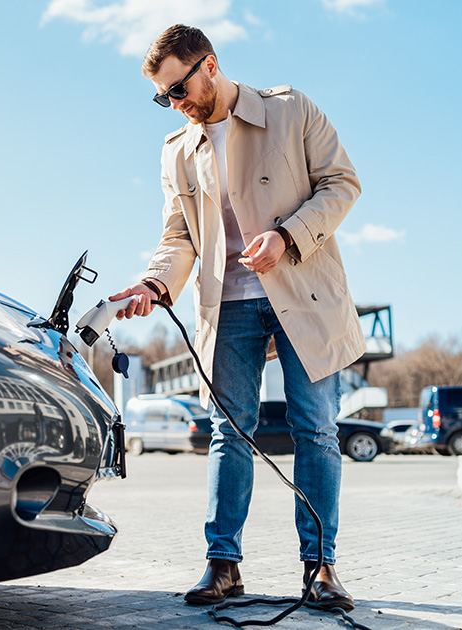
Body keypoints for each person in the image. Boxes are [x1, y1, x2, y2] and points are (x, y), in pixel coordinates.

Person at [110, 24, 364, 611]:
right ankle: (222, 566)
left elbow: (342, 182)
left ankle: (320, 568)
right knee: (230, 433)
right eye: (164, 98)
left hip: (302, 291)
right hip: (226, 304)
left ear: (211, 65)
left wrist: (287, 236)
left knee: (317, 429)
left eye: (179, 89)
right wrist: (156, 281)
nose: (175, 104)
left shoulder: (289, 108)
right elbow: (178, 237)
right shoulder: (177, 150)